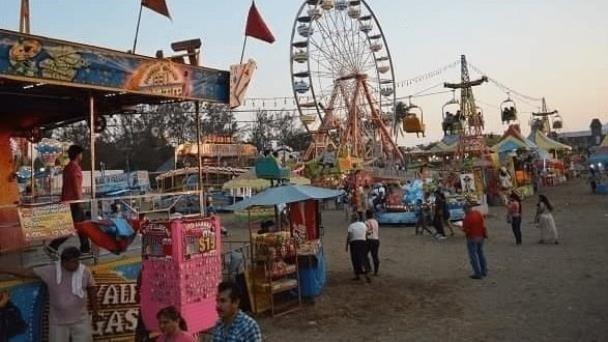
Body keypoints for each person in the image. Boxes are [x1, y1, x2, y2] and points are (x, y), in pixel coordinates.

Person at [0, 247, 98, 342]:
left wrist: (95, 310)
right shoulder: (51, 270)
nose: (76, 264)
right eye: (72, 262)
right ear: (64, 262)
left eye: (77, 261)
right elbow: (26, 272)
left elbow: (92, 288)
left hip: (81, 320)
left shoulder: (85, 271)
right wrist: (3, 268)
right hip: (58, 322)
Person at [46, 145, 90, 258]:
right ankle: (53, 246)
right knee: (73, 227)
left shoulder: (67, 167)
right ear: (78, 155)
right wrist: (80, 201)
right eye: (81, 153)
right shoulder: (75, 168)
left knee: (83, 226)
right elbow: (76, 186)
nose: (82, 156)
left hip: (67, 201)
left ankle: (85, 248)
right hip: (74, 203)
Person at [461, 204, 488, 279]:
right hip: (480, 236)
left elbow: (466, 230)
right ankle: (484, 271)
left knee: (473, 256)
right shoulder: (478, 213)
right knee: (480, 254)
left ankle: (478, 273)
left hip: (472, 237)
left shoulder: (467, 218)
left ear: (465, 209)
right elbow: (483, 223)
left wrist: (461, 228)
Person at [346, 213, 371, 282]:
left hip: (354, 243)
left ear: (353, 219)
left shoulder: (351, 226)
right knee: (364, 258)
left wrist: (347, 245)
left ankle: (357, 275)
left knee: (355, 259)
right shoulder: (363, 224)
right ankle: (367, 274)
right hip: (363, 242)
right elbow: (367, 233)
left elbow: (349, 236)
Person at [365, 210, 380, 276]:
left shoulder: (366, 222)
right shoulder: (375, 221)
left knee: (364, 254)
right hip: (376, 239)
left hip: (369, 240)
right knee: (375, 256)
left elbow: (367, 232)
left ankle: (368, 268)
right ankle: (376, 271)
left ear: (366, 215)